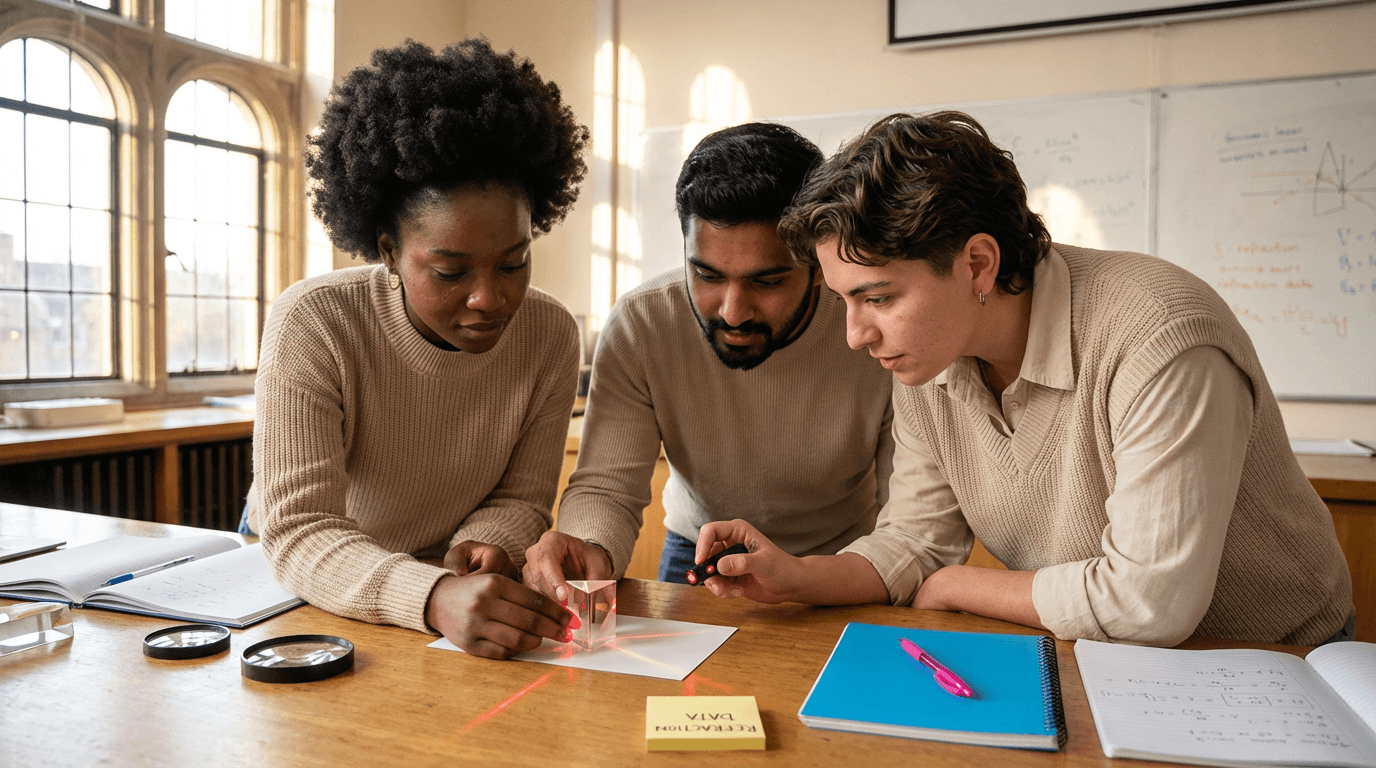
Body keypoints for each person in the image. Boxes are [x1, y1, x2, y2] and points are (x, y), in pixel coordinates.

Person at [695, 111, 1355, 647]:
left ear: (978, 264)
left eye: (879, 298)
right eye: (845, 300)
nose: (855, 334)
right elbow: (917, 540)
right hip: (1102, 659)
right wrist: (796, 576)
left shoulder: (1159, 336)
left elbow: (1150, 604)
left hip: (1278, 663)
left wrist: (959, 587)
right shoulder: (928, 356)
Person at [249, 38, 588, 658]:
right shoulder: (316, 321)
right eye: (452, 272)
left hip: (445, 587)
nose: (490, 299)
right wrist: (431, 595)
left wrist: (488, 540)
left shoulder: (550, 334)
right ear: (388, 253)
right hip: (324, 585)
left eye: (513, 263)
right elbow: (299, 530)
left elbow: (522, 497)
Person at [522, 123, 893, 601]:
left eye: (768, 281)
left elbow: (904, 514)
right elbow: (608, 487)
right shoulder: (642, 323)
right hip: (699, 555)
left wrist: (848, 573)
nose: (732, 311)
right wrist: (589, 546)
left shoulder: (871, 328)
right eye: (706, 274)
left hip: (846, 560)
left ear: (818, 268)